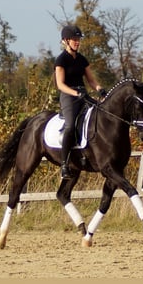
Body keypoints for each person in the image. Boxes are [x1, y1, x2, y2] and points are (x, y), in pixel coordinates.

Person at [54, 25, 106, 179]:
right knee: (70, 125)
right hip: (68, 96)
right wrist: (75, 93)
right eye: (74, 40)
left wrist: (101, 90)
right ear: (65, 41)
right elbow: (60, 84)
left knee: (98, 117)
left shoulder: (82, 59)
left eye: (78, 40)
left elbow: (91, 80)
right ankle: (64, 164)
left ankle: (88, 153)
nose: (77, 42)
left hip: (83, 94)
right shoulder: (61, 60)